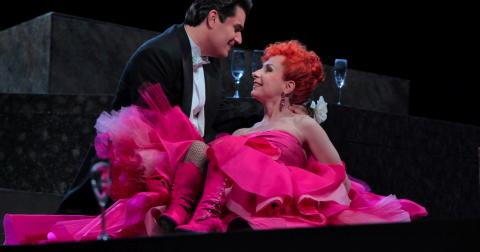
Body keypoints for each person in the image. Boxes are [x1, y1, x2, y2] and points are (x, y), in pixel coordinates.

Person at [3, 40, 426, 244]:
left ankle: (195, 216)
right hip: (219, 202)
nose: (256, 73)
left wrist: (299, 192)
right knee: (206, 144)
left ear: (289, 85)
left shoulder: (304, 127)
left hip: (266, 207)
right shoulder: (243, 132)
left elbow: (338, 180)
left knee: (224, 145)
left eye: (268, 69)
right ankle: (180, 214)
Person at [56, 0, 254, 219]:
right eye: (236, 28)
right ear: (213, 18)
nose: (239, 38)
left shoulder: (214, 61)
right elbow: (151, 137)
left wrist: (269, 110)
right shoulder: (158, 55)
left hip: (183, 179)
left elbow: (213, 115)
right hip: (131, 189)